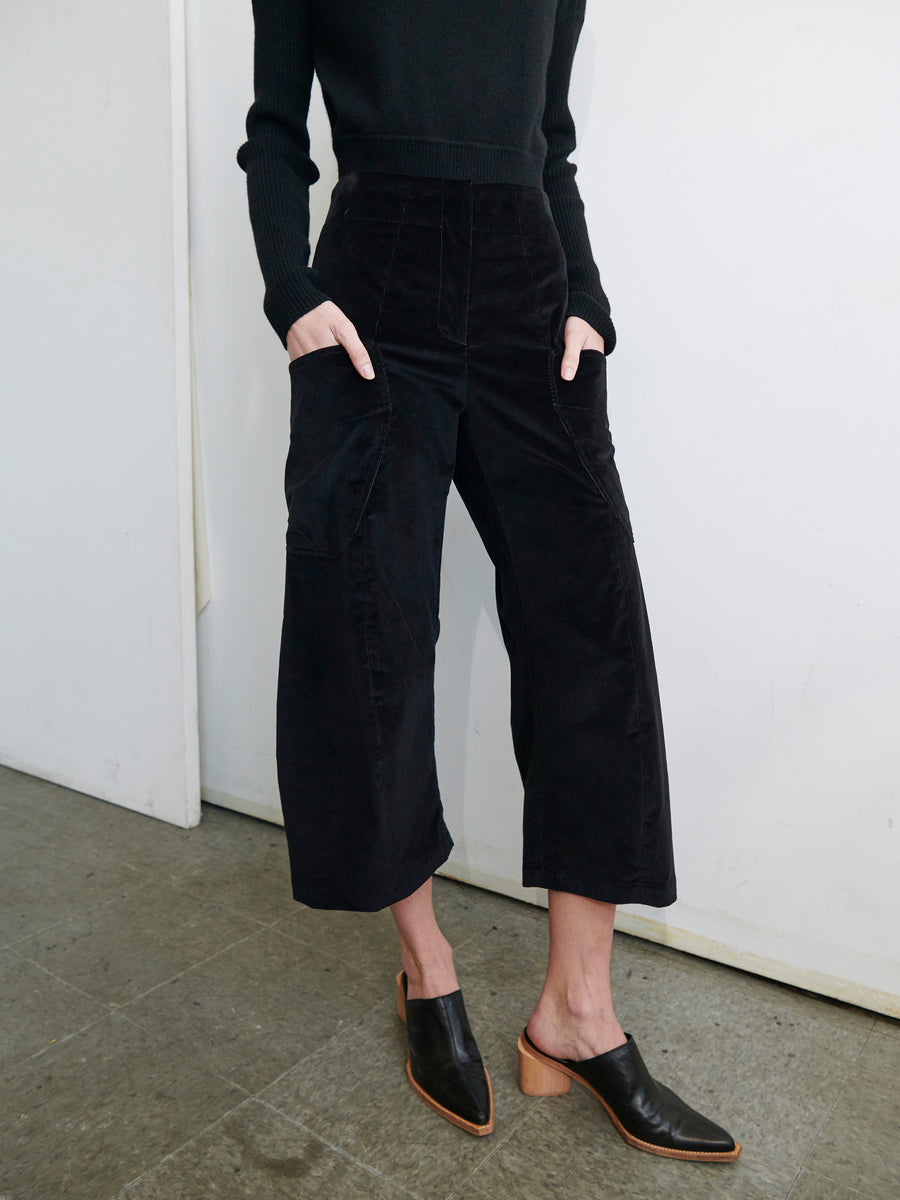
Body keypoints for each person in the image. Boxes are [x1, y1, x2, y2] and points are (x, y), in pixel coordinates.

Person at [237, 0, 740, 1162]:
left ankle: (578, 1012)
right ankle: (428, 967)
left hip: (529, 291)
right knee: (371, 631)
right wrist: (291, 293)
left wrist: (587, 301)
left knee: (592, 635)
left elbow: (547, 141)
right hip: (372, 301)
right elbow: (276, 132)